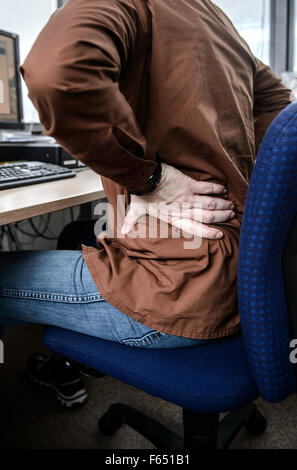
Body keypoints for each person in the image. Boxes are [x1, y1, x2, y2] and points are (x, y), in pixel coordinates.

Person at [0, 0, 292, 404]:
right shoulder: (218, 22)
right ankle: (65, 366)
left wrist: (150, 180)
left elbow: (58, 77)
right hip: (234, 274)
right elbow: (282, 116)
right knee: (76, 232)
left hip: (174, 290)